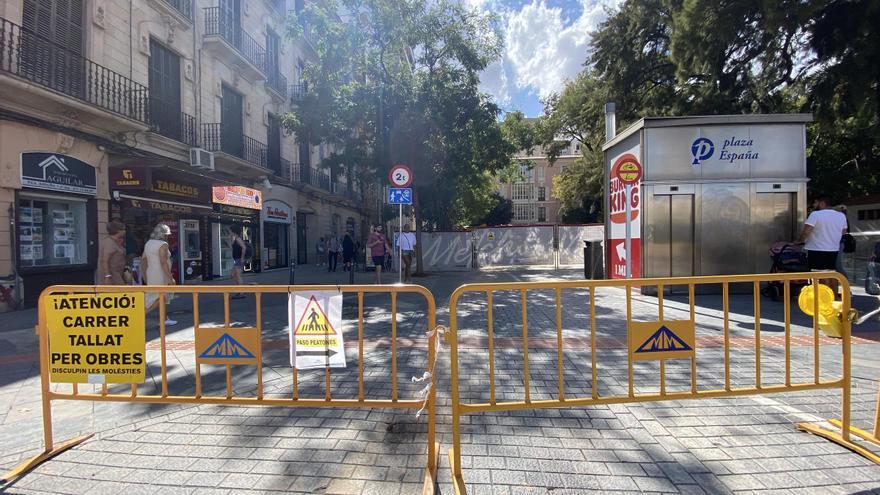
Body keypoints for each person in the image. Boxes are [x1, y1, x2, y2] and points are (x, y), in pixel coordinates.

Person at [798, 195, 848, 296]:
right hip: (833, 249)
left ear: (822, 203)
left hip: (817, 249)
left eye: (815, 203)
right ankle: (834, 297)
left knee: (820, 275)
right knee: (831, 274)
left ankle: (824, 298)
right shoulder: (841, 215)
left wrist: (800, 241)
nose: (814, 205)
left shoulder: (815, 215)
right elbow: (844, 231)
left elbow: (806, 231)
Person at [141, 223, 177, 326]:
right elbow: (163, 262)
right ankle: (141, 314)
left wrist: (145, 274)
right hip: (160, 274)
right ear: (164, 235)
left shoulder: (149, 243)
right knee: (160, 297)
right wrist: (170, 278)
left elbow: (143, 258)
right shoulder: (163, 245)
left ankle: (164, 318)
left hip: (151, 271)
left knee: (156, 295)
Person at [96, 221, 127, 285]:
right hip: (112, 274)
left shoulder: (116, 241)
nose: (125, 231)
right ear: (118, 231)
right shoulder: (109, 243)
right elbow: (105, 260)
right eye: (123, 229)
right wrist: (107, 276)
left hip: (117, 273)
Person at [230, 227, 247, 298]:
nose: (229, 232)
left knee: (238, 276)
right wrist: (231, 237)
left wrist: (242, 258)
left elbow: (244, 247)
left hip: (239, 260)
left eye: (230, 231)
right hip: (237, 259)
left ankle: (241, 292)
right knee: (233, 275)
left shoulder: (238, 239)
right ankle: (240, 289)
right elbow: (232, 246)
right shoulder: (235, 239)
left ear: (234, 231)